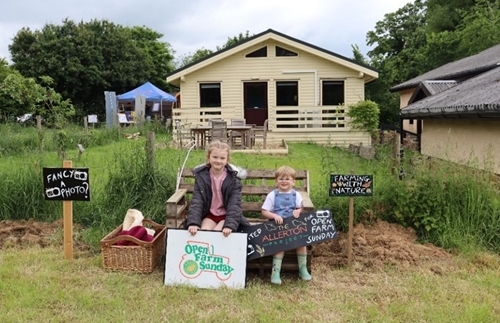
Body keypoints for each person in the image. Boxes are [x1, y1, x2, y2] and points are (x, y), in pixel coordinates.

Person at [185, 140, 249, 237]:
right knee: (203, 233)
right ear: (208, 157)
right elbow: (197, 201)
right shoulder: (202, 177)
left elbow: (234, 204)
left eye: (222, 158)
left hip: (226, 216)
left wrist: (229, 225)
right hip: (209, 215)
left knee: (217, 235)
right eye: (215, 157)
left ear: (227, 160)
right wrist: (194, 222)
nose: (218, 161)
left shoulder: (234, 179)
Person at [261, 165, 312, 284]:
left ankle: (303, 268)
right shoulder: (272, 195)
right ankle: (276, 271)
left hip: (293, 226)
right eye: (281, 179)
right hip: (278, 226)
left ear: (293, 182)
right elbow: (264, 211)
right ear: (276, 181)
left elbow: (301, 208)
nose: (284, 181)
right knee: (281, 245)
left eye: (287, 179)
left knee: (301, 242)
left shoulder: (296, 195)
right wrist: (274, 216)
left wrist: (298, 211)